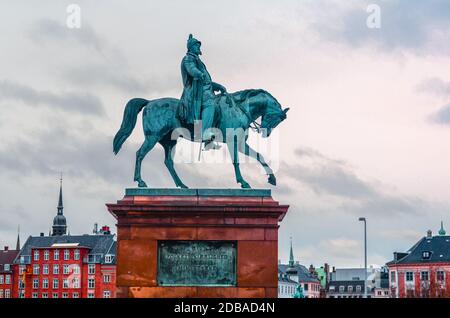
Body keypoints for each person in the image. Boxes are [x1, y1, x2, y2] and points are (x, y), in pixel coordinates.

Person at [180, 34, 226, 150]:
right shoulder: (188, 58)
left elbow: (207, 81)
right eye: (196, 45)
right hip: (195, 91)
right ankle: (205, 134)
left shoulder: (198, 60)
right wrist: (198, 73)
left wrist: (218, 86)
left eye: (198, 45)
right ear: (190, 47)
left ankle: (208, 142)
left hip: (203, 89)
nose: (198, 47)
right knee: (210, 104)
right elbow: (191, 70)